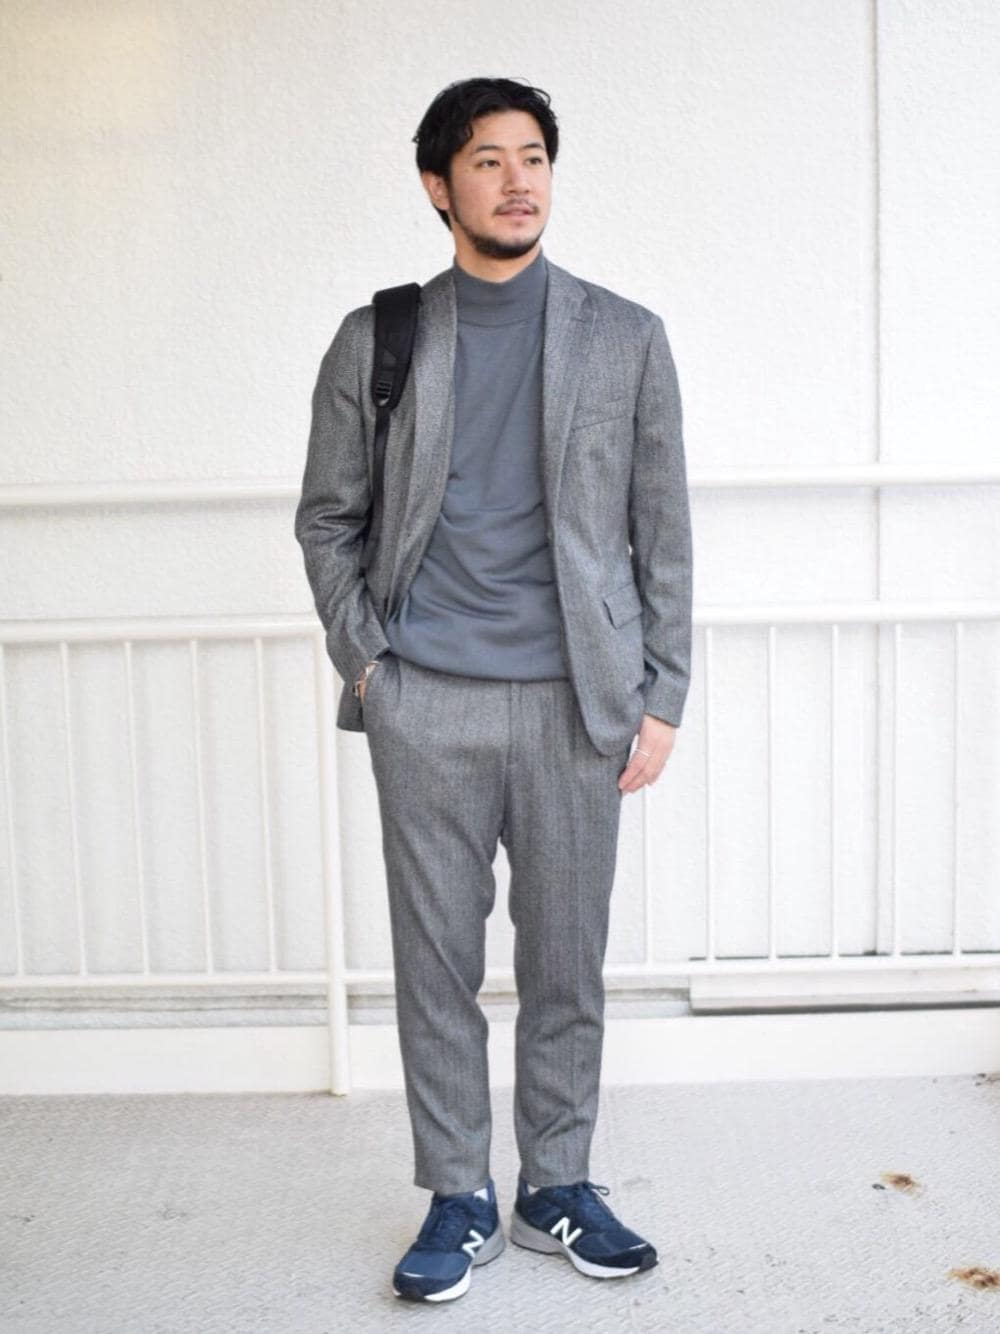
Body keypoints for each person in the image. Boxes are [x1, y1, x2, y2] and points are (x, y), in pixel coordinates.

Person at [294, 75, 693, 1303]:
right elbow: (327, 519)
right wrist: (372, 665)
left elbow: (661, 531)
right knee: (436, 965)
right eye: (486, 160)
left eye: (533, 157)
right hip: (428, 702)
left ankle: (555, 1183)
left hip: (578, 702)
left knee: (567, 960)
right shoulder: (380, 338)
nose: (517, 181)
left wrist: (662, 692)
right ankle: (458, 1191)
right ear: (438, 185)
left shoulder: (625, 336)